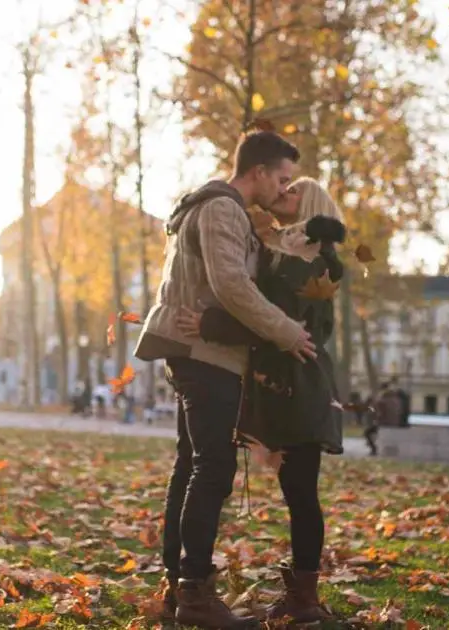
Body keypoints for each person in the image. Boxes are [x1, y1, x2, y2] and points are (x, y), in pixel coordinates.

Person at [133, 130, 315, 629]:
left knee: (191, 466)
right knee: (212, 470)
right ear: (256, 171)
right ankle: (194, 592)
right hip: (205, 356)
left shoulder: (209, 206)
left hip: (198, 352)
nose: (282, 190)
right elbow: (231, 284)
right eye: (280, 178)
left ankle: (180, 588)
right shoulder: (221, 208)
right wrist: (287, 332)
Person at [176, 176, 344, 625]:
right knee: (296, 491)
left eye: (292, 192)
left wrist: (213, 324)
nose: (281, 195)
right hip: (280, 384)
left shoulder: (311, 263)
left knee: (302, 492)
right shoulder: (290, 253)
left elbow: (275, 321)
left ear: (307, 204)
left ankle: (304, 599)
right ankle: (299, 595)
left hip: (299, 385)